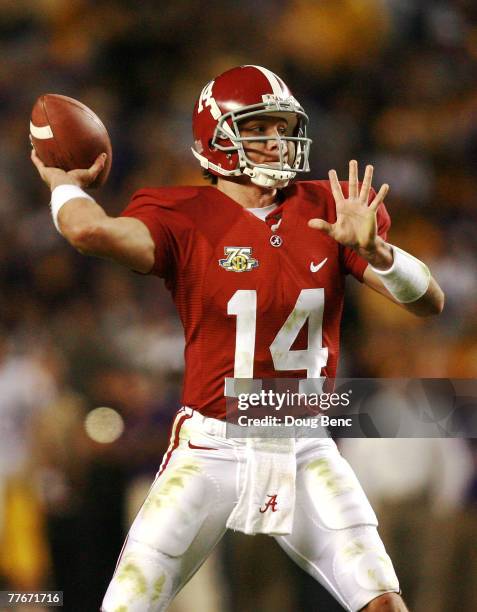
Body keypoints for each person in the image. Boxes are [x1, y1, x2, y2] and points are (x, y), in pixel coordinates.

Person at [31, 65, 444, 612]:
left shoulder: (329, 208)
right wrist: (64, 183)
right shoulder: (181, 213)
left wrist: (379, 254)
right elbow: (87, 230)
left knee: (384, 604)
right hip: (211, 448)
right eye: (261, 129)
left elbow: (429, 302)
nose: (278, 142)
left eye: (283, 128)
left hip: (305, 445)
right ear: (217, 139)